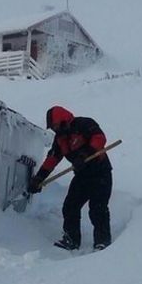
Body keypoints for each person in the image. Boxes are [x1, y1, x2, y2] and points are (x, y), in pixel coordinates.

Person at [28, 106, 113, 251]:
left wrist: (84, 154)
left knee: (97, 209)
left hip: (101, 174)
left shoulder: (85, 124)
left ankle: (102, 242)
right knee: (70, 206)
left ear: (63, 121)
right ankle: (71, 240)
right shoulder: (60, 139)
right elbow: (52, 158)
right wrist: (39, 179)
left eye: (55, 126)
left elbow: (99, 138)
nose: (55, 130)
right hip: (82, 176)